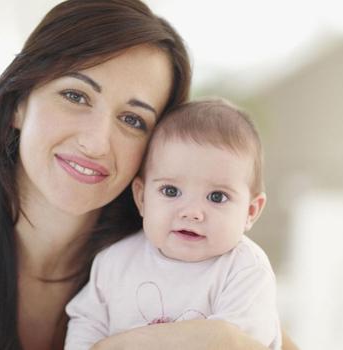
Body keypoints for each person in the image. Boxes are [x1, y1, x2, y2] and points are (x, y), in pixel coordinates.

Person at [0, 1, 299, 349]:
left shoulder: (190, 260)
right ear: (19, 103)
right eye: (75, 96)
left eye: (133, 119)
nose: (97, 143)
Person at [64, 99, 281, 350]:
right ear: (142, 197)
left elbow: (235, 342)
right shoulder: (114, 262)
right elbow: (88, 322)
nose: (191, 213)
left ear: (250, 211)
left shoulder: (244, 270)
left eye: (217, 197)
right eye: (170, 191)